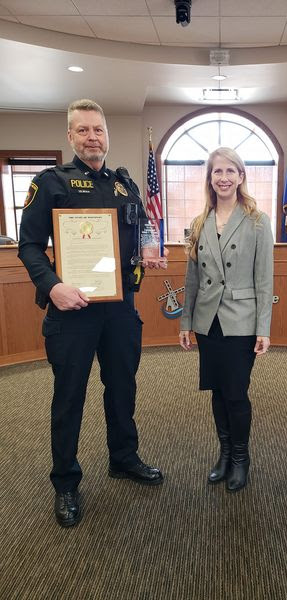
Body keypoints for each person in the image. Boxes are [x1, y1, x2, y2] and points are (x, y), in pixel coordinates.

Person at [18, 99, 167, 528]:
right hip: (72, 312)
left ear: (107, 133)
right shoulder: (51, 182)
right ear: (70, 136)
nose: (92, 137)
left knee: (122, 387)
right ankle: (65, 481)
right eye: (82, 130)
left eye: (98, 130)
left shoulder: (125, 185)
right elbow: (29, 246)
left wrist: (147, 254)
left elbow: (137, 234)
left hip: (120, 309)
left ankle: (124, 457)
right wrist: (52, 287)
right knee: (69, 398)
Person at [179, 147, 273, 492]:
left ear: (241, 176)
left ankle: (240, 457)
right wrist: (186, 322)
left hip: (241, 320)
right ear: (210, 178)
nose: (223, 178)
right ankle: (223, 453)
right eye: (217, 172)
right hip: (207, 321)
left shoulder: (257, 221)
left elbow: (265, 280)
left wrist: (263, 328)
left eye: (230, 171)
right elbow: (192, 280)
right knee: (217, 391)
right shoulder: (199, 222)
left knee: (236, 392)